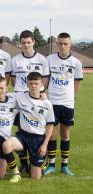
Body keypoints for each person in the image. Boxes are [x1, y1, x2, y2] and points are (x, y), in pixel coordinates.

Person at [2, 72, 54, 182]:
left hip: (38, 139)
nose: (33, 86)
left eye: (36, 83)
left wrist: (45, 145)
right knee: (7, 145)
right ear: (27, 84)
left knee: (35, 177)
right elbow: (1, 92)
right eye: (31, 83)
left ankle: (41, 166)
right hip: (23, 136)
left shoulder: (47, 104)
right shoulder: (20, 96)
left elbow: (50, 125)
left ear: (41, 85)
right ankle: (16, 174)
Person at [10, 30, 50, 172]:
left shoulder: (42, 60)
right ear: (20, 43)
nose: (26, 45)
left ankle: (39, 158)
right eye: (23, 42)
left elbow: (45, 80)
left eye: (28, 42)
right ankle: (24, 164)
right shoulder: (15, 60)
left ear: (33, 42)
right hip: (20, 101)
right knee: (21, 130)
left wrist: (42, 93)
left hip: (36, 100)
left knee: (36, 128)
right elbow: (13, 80)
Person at [44, 33, 83, 176]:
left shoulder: (76, 62)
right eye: (60, 43)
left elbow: (77, 82)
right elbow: (46, 78)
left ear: (70, 44)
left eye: (65, 43)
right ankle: (52, 164)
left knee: (65, 133)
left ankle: (64, 165)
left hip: (67, 103)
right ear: (57, 43)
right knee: (52, 134)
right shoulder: (50, 59)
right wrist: (43, 92)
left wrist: (71, 97)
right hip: (52, 102)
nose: (63, 46)